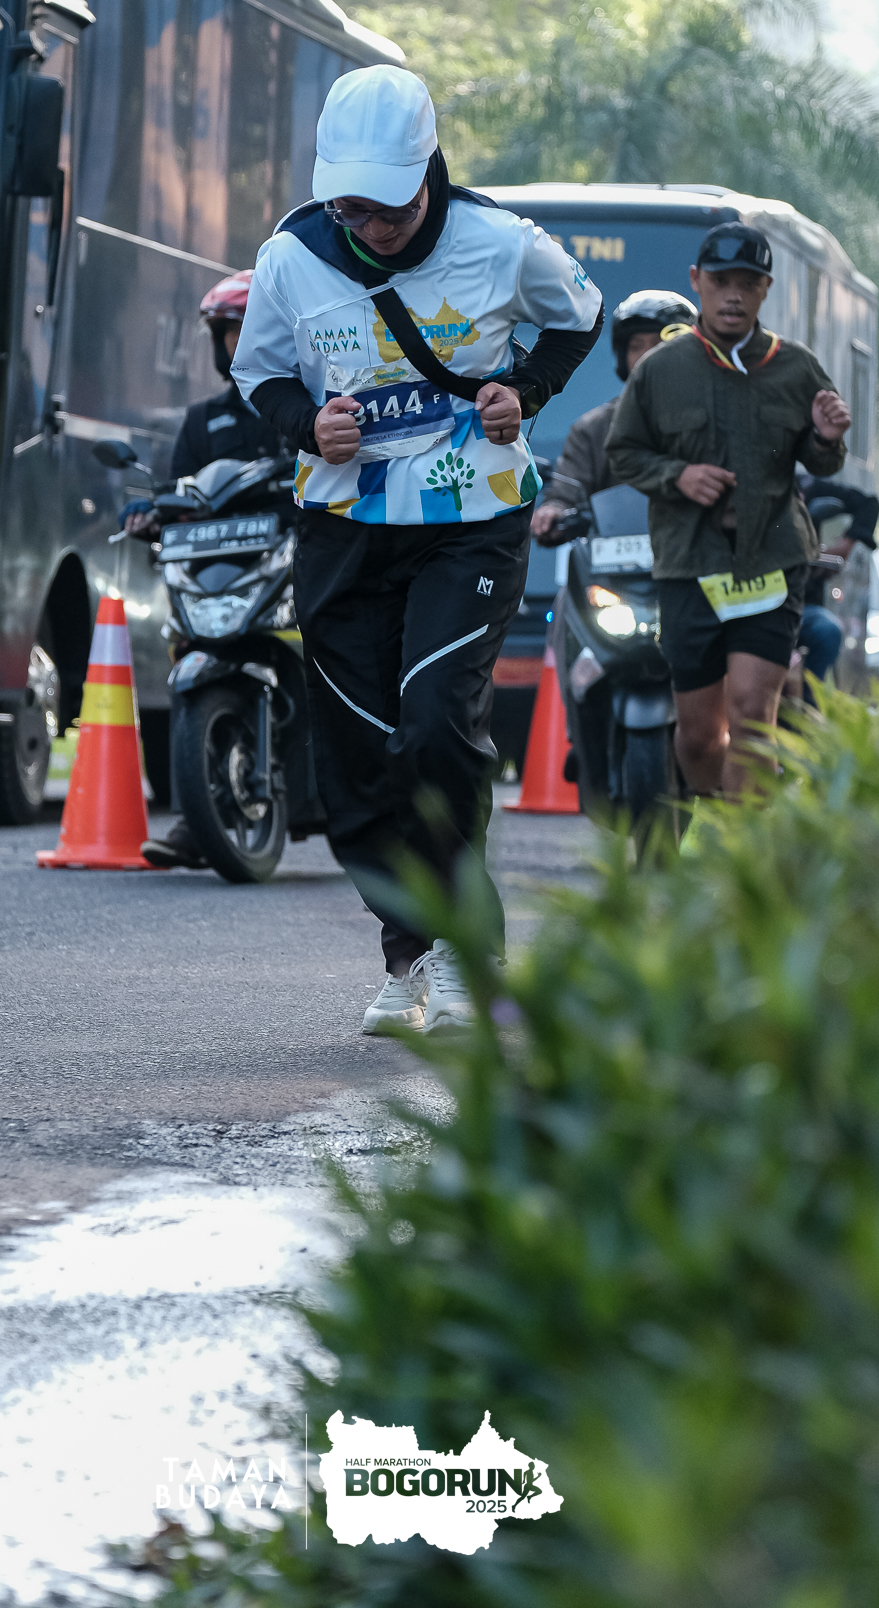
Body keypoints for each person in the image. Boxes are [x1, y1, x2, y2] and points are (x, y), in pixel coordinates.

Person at [231, 66, 602, 1033]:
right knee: (356, 757)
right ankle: (410, 954)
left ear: (428, 172)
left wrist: (525, 390)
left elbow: (580, 315)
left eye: (390, 208)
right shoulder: (291, 258)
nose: (374, 226)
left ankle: (470, 948)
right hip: (344, 526)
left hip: (469, 515)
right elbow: (259, 373)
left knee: (435, 724)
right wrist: (307, 425)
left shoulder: (502, 243)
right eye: (351, 208)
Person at [605, 221, 852, 799]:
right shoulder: (660, 370)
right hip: (689, 564)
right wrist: (678, 476)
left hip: (771, 560)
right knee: (697, 736)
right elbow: (623, 453)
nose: (734, 296)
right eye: (721, 282)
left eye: (748, 283)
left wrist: (825, 437)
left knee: (751, 713)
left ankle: (745, 842)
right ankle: (713, 812)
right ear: (697, 281)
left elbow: (822, 460)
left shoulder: (797, 368)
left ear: (766, 289)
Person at [121, 271, 288, 869]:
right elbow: (176, 495)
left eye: (249, 329)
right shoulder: (202, 421)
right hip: (221, 578)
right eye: (230, 332)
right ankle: (199, 816)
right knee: (187, 650)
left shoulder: (307, 404)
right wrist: (148, 512)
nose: (238, 342)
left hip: (294, 568)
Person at [530, 290, 696, 542]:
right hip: (617, 560)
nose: (648, 356)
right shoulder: (594, 428)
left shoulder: (714, 416)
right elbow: (568, 491)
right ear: (622, 356)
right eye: (636, 346)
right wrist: (555, 510)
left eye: (660, 345)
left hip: (699, 550)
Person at [791, 474, 879, 687]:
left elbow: (869, 504)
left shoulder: (805, 485)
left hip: (801, 606)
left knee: (828, 630)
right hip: (750, 603)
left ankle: (811, 699)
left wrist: (845, 545)